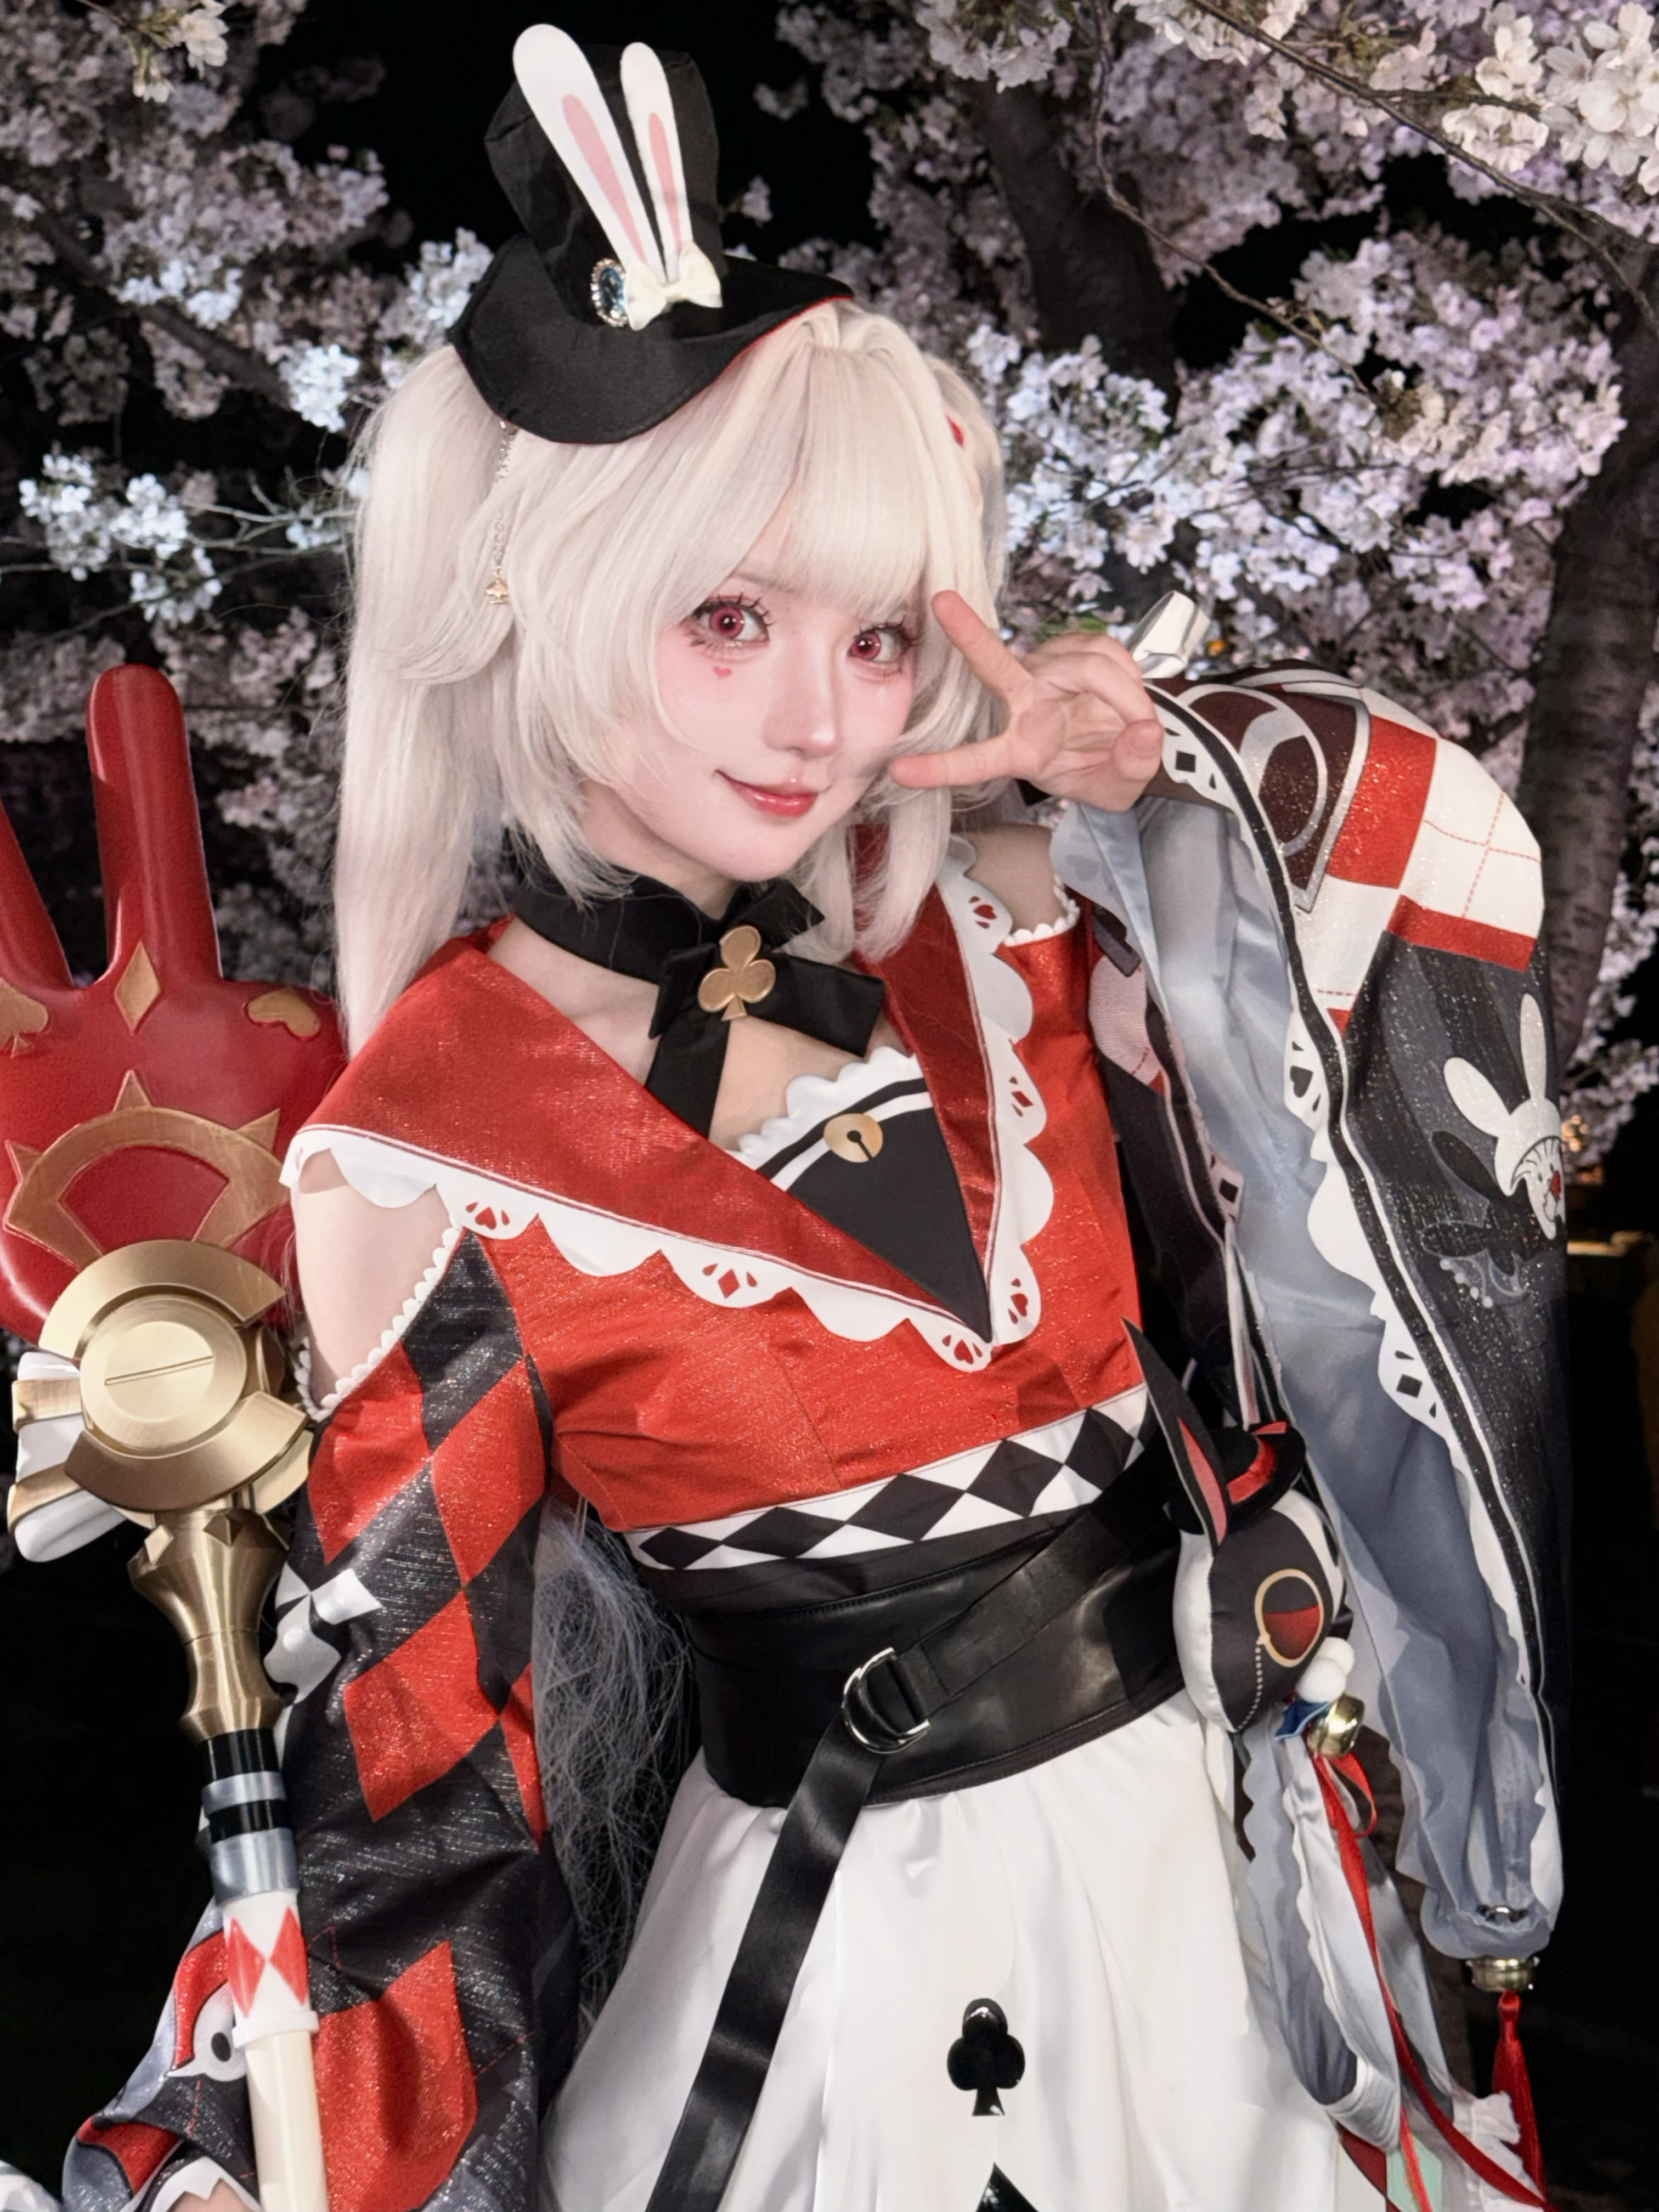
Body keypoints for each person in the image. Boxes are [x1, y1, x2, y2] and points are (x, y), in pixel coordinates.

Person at [55, 25, 1567, 2212]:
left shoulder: (1011, 915)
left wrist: (1162, 787)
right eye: (730, 619)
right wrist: (229, 2152)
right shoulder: (423, 1154)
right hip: (841, 1976)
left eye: (874, 640)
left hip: (1235, 1904)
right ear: (531, 589)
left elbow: (1385, 1015)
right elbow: (418, 1780)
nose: (813, 718)